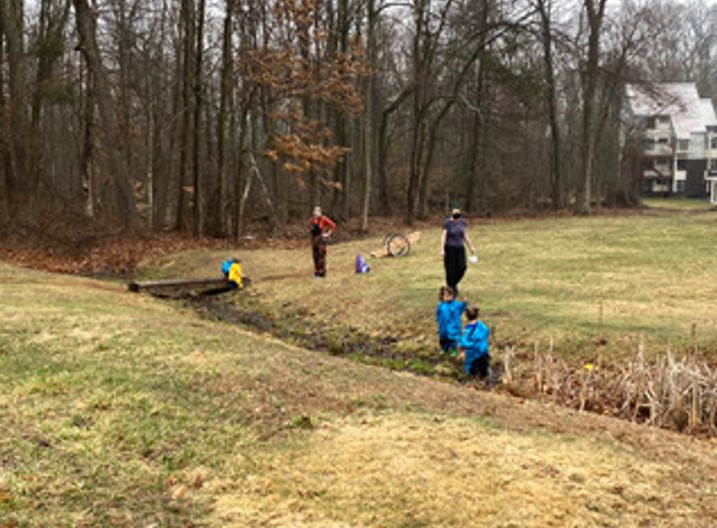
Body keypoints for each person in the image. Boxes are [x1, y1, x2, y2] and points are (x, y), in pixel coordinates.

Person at [440, 208, 476, 296]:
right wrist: (442, 249)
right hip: (450, 248)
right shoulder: (447, 223)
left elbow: (464, 235)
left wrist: (471, 246)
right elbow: (444, 236)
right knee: (450, 270)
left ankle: (453, 284)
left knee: (462, 267)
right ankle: (451, 288)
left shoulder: (462, 222)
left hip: (460, 248)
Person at [460, 305, 491, 379]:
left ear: (466, 316)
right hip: (483, 352)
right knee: (484, 372)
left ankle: (474, 386)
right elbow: (487, 332)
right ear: (477, 315)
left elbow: (464, 343)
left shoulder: (468, 329)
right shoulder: (482, 326)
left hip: (473, 355)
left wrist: (466, 345)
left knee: (473, 373)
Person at [435, 285, 466, 357]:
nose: (448, 297)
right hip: (443, 325)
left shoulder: (456, 304)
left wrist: (464, 303)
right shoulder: (441, 305)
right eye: (446, 296)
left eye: (450, 295)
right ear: (442, 296)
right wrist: (438, 321)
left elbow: (461, 308)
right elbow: (438, 313)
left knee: (453, 338)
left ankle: (453, 349)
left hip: (453, 325)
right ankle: (444, 348)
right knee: (443, 337)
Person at [309, 206, 336, 278]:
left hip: (321, 239)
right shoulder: (312, 220)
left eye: (317, 211)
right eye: (314, 211)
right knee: (315, 256)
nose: (315, 213)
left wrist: (327, 234)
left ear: (320, 212)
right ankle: (316, 271)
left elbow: (333, 225)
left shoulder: (323, 219)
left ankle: (322, 272)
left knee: (321, 255)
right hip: (314, 239)